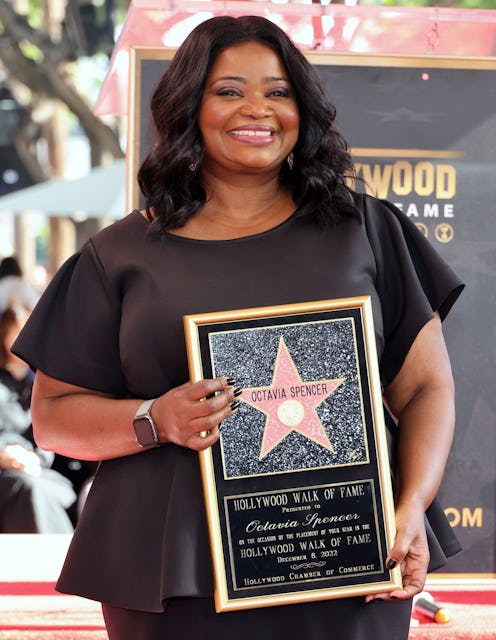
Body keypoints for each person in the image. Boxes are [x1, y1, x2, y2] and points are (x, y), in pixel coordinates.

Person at [12, 15, 464, 640]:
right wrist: (153, 418)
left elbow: (423, 390)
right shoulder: (118, 255)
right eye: (229, 90)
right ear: (188, 106)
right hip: (173, 574)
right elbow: (54, 416)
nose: (257, 108)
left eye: (279, 91)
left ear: (302, 109)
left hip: (350, 555)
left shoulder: (366, 230)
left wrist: (409, 504)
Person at [0, 306, 76, 532]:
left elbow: (52, 429)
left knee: (45, 491)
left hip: (38, 467)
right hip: (5, 471)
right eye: (14, 332)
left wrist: (36, 459)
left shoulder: (44, 385)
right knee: (29, 490)